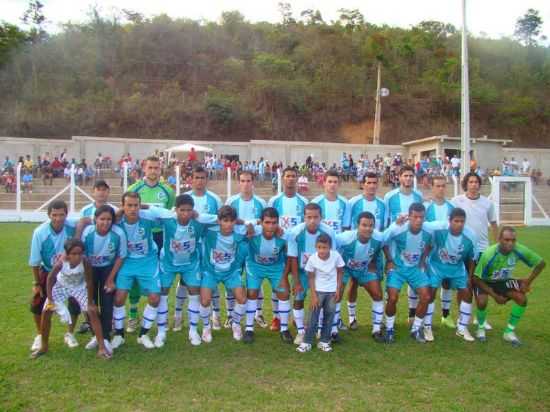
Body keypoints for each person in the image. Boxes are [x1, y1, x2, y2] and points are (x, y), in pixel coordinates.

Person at [145, 195, 217, 346]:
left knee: (194, 294)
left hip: (191, 264)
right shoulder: (167, 218)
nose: (185, 213)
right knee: (163, 294)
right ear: (176, 210)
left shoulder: (199, 221)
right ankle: (161, 332)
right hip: (168, 263)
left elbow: (223, 219)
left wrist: (249, 224)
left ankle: (193, 331)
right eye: (182, 210)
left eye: (189, 210)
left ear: (193, 211)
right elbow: (148, 207)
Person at [31, 239, 110, 359]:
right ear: (67, 254)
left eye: (80, 253)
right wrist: (51, 300)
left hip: (79, 288)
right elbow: (50, 279)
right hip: (61, 287)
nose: (77, 257)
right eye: (74, 254)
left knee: (93, 311)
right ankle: (44, 346)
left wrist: (89, 303)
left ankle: (102, 348)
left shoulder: (85, 262)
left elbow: (89, 282)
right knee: (46, 311)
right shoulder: (61, 263)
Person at [472, 227, 545, 346]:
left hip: (503, 281)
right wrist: (495, 296)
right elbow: (476, 278)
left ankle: (509, 332)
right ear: (499, 239)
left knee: (522, 299)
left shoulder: (519, 250)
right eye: (506, 240)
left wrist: (528, 282)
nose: (510, 243)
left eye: (513, 240)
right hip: (485, 281)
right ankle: (480, 328)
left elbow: (541, 263)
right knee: (481, 301)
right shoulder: (489, 254)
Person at [127, 156, 175, 333]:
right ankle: (132, 315)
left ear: (160, 169)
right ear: (144, 168)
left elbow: (168, 210)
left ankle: (155, 315)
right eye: (150, 168)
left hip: (160, 237)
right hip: (139, 237)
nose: (153, 171)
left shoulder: (168, 191)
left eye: (156, 168)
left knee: (158, 276)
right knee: (133, 273)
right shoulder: (134, 188)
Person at [28, 200, 82, 352]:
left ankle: (70, 333)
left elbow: (86, 220)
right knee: (39, 304)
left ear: (67, 214)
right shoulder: (40, 232)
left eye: (62, 215)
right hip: (48, 271)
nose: (58, 218)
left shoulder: (72, 226)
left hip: (70, 272)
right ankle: (40, 335)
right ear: (48, 215)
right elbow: (34, 261)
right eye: (54, 215)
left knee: (75, 301)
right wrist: (38, 283)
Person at [111, 192, 161, 350]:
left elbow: (167, 216)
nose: (133, 209)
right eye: (129, 205)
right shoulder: (116, 222)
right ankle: (119, 335)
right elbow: (97, 219)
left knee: (154, 298)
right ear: (123, 206)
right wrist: (116, 214)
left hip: (147, 261)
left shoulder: (147, 218)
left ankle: (143, 335)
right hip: (125, 262)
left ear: (140, 206)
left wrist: (149, 206)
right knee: (119, 298)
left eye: (136, 205)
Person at [423, 208, 478, 342]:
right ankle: (427, 326)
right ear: (449, 220)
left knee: (466, 292)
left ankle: (462, 328)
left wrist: (470, 276)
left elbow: (472, 258)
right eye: (456, 221)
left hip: (457, 267)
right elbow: (421, 224)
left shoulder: (471, 236)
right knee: (431, 292)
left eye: (462, 221)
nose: (459, 224)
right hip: (437, 265)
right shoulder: (438, 228)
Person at [452, 172, 498, 330]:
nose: (474, 184)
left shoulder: (487, 203)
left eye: (476, 182)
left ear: (480, 184)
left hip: (482, 250)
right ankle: (462, 317)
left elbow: (493, 224)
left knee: (482, 286)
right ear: (466, 184)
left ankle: (481, 319)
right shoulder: (457, 201)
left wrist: (496, 246)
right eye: (471, 182)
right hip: (463, 250)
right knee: (464, 285)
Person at [383, 203, 433, 344]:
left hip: (414, 269)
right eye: (415, 217)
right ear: (409, 217)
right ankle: (389, 329)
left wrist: (423, 260)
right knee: (392, 298)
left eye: (421, 217)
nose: (418, 220)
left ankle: (416, 329)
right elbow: (384, 242)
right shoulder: (398, 230)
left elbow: (430, 244)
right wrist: (389, 260)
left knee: (426, 296)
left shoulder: (428, 231)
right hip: (398, 269)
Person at [287, 203, 336, 345]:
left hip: (322, 273)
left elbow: (332, 256)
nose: (312, 220)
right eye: (309, 217)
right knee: (298, 298)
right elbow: (293, 258)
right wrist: (296, 282)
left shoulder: (328, 233)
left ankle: (320, 329)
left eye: (316, 217)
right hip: (302, 272)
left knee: (322, 300)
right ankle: (301, 332)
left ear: (321, 217)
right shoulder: (295, 233)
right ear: (304, 217)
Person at [198, 206, 249, 343]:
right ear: (219, 221)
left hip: (231, 272)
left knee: (242, 299)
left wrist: (247, 225)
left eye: (232, 221)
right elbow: (198, 217)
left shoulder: (239, 233)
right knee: (205, 300)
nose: (228, 224)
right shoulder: (209, 232)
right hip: (210, 272)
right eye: (225, 220)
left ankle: (236, 324)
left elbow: (254, 224)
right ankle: (206, 327)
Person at [243, 207, 293, 344]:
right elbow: (238, 224)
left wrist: (285, 276)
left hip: (276, 267)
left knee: (284, 293)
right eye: (267, 222)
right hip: (255, 266)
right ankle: (249, 329)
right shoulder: (253, 232)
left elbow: (290, 256)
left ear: (278, 223)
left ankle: (284, 329)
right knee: (252, 292)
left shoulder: (284, 235)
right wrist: (250, 225)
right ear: (261, 222)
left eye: (274, 222)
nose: (271, 226)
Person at [226, 171, 269, 328]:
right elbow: (226, 220)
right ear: (239, 183)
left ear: (253, 183)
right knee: (232, 279)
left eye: (248, 180)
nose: (245, 184)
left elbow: (265, 222)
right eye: (242, 180)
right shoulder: (231, 201)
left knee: (254, 280)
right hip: (235, 246)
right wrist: (247, 223)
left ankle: (259, 313)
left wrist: (254, 223)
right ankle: (230, 315)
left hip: (253, 246)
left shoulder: (261, 203)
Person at [81, 205, 127, 352]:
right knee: (90, 302)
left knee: (107, 302)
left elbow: (121, 256)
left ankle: (106, 337)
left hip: (108, 269)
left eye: (109, 219)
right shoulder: (87, 233)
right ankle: (96, 335)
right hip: (91, 270)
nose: (105, 222)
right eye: (102, 219)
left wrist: (111, 279)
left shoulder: (118, 233)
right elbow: (82, 255)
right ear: (95, 219)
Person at [184, 165, 224, 329]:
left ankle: (216, 315)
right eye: (196, 177)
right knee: (186, 280)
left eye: (202, 178)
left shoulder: (214, 199)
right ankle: (179, 315)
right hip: (188, 245)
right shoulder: (185, 197)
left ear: (206, 180)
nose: (199, 181)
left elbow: (221, 220)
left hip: (209, 245)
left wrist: (202, 218)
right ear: (191, 179)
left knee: (210, 278)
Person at [268, 167, 309, 332]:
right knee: (278, 283)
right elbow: (269, 222)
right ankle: (277, 317)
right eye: (287, 176)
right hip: (279, 249)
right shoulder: (274, 201)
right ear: (283, 179)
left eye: (293, 176)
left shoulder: (304, 202)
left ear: (297, 179)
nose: (290, 179)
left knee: (299, 283)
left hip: (298, 250)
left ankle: (296, 318)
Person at [311, 170, 351, 334]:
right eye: (330, 181)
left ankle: (335, 320)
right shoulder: (316, 202)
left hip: (337, 254)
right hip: (321, 255)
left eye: (335, 181)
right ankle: (321, 325)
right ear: (324, 183)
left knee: (337, 288)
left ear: (339, 184)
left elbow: (346, 229)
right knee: (321, 289)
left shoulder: (345, 203)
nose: (332, 184)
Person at [336, 212, 385, 342]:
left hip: (364, 269)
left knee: (378, 294)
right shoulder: (344, 238)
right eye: (364, 225)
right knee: (337, 294)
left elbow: (382, 248)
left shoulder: (379, 238)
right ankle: (334, 329)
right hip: (345, 268)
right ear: (357, 226)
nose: (368, 228)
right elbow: (330, 244)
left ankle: (377, 329)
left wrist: (376, 265)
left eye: (371, 225)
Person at [415, 175, 456, 329]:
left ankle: (446, 315)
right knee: (429, 285)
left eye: (443, 186)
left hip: (446, 251)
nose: (441, 189)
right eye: (438, 186)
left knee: (447, 282)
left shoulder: (452, 207)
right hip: (429, 251)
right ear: (431, 187)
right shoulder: (425, 208)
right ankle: (420, 316)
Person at [347, 172, 387, 329]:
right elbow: (347, 227)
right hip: (356, 250)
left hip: (374, 253)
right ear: (363, 184)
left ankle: (378, 319)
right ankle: (351, 317)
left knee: (376, 287)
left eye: (374, 182)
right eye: (368, 182)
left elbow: (383, 230)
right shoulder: (353, 202)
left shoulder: (383, 204)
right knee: (353, 283)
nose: (371, 185)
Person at [296, 234, 344, 353]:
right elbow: (311, 278)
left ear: (330, 247)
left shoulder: (336, 256)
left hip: (332, 292)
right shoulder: (312, 259)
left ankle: (324, 341)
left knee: (329, 316)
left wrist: (338, 290)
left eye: (325, 247)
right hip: (318, 291)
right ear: (316, 247)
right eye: (319, 247)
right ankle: (307, 342)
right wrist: (313, 296)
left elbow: (340, 273)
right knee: (313, 317)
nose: (322, 250)